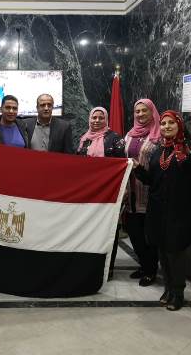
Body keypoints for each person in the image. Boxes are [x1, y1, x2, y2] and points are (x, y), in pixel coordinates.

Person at [133, 110, 191, 311]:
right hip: (158, 210)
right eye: (163, 123)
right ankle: (168, 289)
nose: (166, 127)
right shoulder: (159, 151)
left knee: (175, 251)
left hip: (180, 210)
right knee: (162, 251)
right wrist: (138, 169)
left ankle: (178, 293)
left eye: (171, 123)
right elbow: (152, 181)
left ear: (179, 125)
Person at [76, 106, 125, 279]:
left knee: (108, 228)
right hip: (88, 193)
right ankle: (90, 265)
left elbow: (122, 165)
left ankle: (107, 268)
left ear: (106, 120)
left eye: (101, 118)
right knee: (89, 228)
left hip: (109, 193)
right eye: (94, 117)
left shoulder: (115, 139)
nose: (96, 121)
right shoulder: (84, 139)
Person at [124, 99, 161, 287]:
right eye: (137, 111)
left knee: (148, 236)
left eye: (144, 111)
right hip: (130, 193)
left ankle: (150, 270)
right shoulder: (130, 134)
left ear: (152, 112)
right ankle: (143, 264)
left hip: (149, 193)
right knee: (135, 234)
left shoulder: (159, 136)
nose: (140, 114)